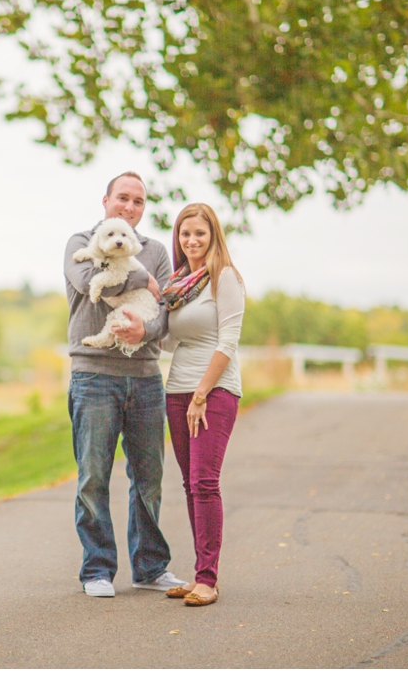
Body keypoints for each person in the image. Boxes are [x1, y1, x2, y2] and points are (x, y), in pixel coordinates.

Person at [64, 171, 187, 598]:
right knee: (93, 477)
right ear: (106, 201)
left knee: (149, 477)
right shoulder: (80, 243)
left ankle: (150, 568)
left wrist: (146, 332)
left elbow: (166, 309)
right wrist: (144, 281)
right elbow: (87, 284)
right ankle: (97, 569)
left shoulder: (155, 250)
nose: (129, 207)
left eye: (137, 202)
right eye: (123, 198)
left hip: (146, 378)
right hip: (94, 375)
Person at [159, 203, 245, 607]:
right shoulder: (180, 282)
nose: (191, 241)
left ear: (214, 237)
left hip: (213, 391)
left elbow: (227, 343)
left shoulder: (223, 278)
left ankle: (207, 580)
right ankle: (198, 577)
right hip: (176, 390)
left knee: (205, 483)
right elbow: (171, 341)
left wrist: (200, 396)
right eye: (184, 234)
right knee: (190, 487)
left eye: (199, 234)